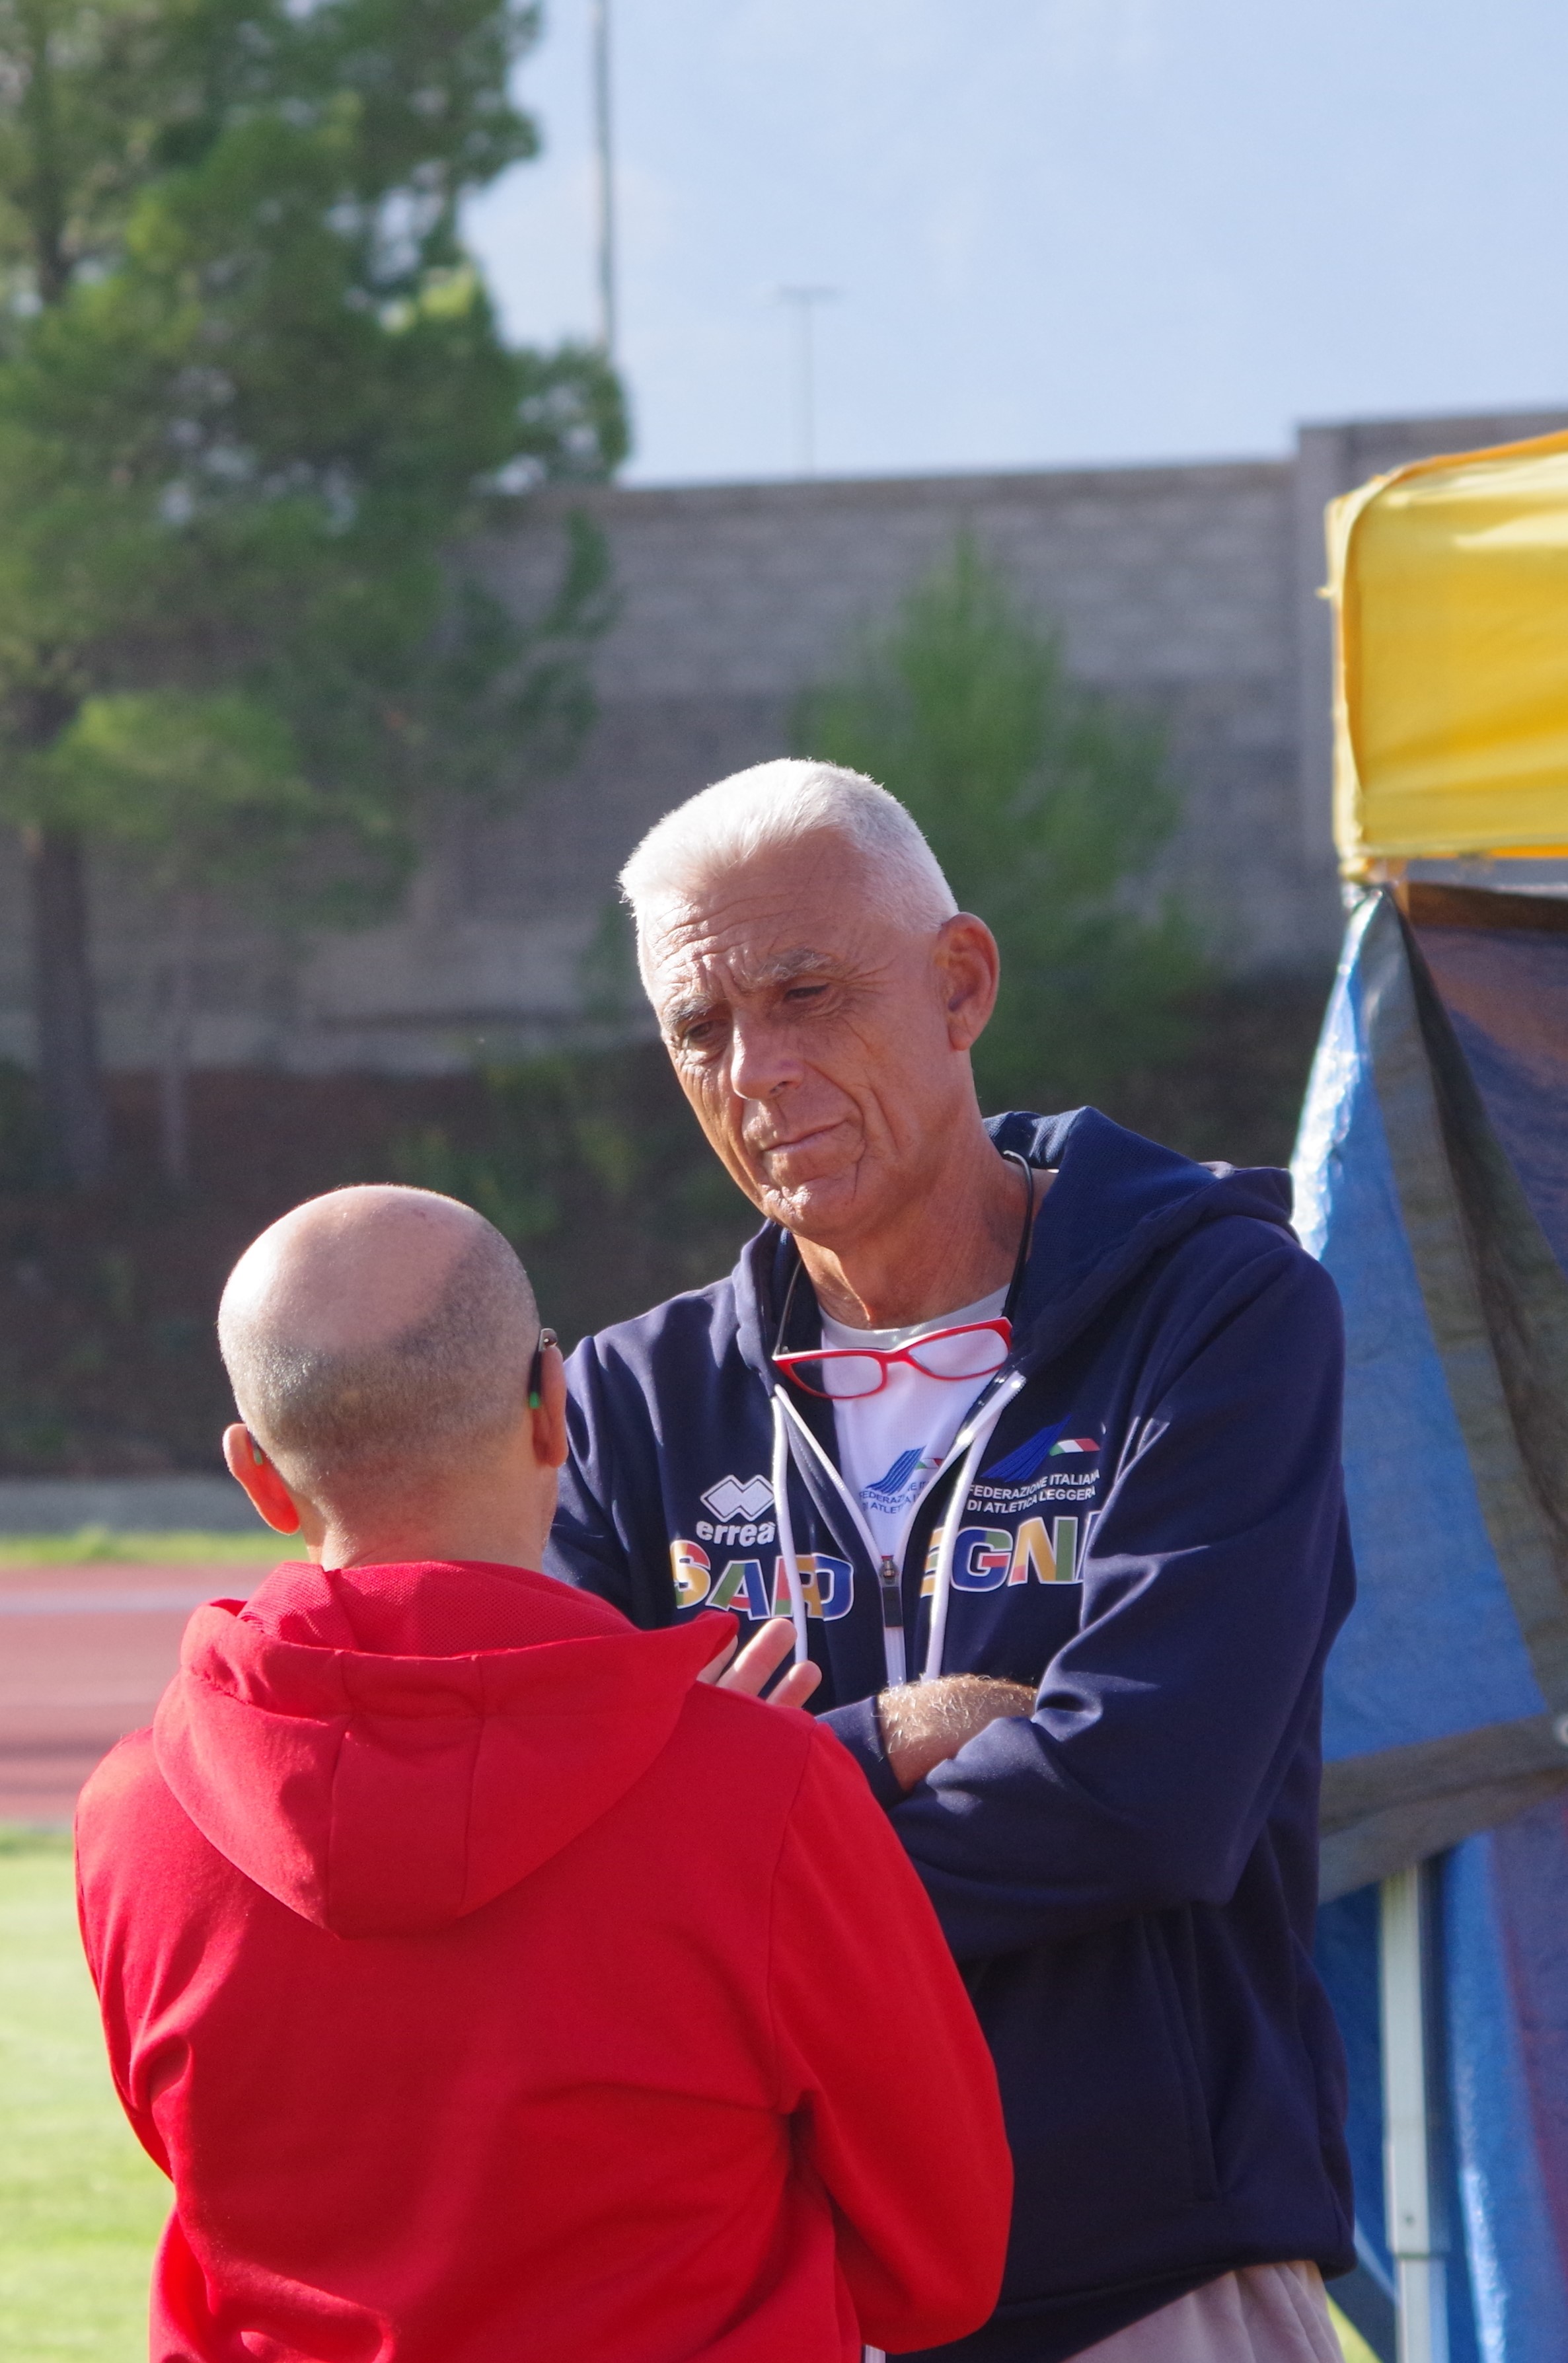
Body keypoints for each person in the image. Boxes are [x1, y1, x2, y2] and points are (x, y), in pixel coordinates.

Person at [546, 760, 1359, 2363]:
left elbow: (1148, 1801)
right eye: (700, 1029)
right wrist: (890, 1741)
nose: (757, 1070)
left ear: (960, 985)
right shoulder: (633, 1403)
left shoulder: (1216, 1313)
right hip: (761, 2289)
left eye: (805, 994)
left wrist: (720, 1841)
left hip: (1141, 2276)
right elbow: (557, 1851)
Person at [75, 1183, 1011, 2363]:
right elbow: (941, 2264)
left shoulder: (132, 1814)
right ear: (555, 1407)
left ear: (256, 1477)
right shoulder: (761, 1797)